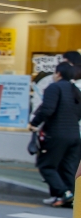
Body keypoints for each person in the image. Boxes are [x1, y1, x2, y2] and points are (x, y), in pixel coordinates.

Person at [30, 62, 80, 207]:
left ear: (58, 74)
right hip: (74, 134)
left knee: (46, 165)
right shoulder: (75, 89)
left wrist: (34, 123)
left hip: (57, 134)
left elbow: (47, 109)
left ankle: (64, 193)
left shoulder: (54, 87)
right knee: (68, 167)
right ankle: (70, 197)